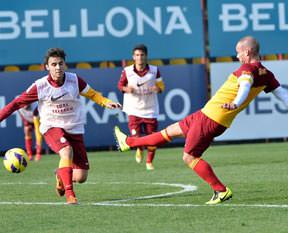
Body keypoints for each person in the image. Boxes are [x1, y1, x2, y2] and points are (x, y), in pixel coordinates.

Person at [114, 36, 288, 204]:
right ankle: (128, 142)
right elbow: (283, 95)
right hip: (206, 114)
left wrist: (235, 103)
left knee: (189, 157)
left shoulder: (247, 70)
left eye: (239, 52)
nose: (237, 56)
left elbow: (245, 85)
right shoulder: (266, 73)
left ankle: (221, 190)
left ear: (248, 51)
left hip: (211, 118)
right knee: (169, 131)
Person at [0, 48, 121, 204]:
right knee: (66, 151)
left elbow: (92, 94)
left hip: (74, 127)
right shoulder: (40, 86)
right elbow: (16, 104)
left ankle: (60, 175)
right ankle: (70, 195)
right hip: (51, 126)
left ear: (65, 65)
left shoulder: (75, 80)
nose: (57, 67)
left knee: (81, 177)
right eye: (53, 64)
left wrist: (105, 102)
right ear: (47, 67)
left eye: (60, 64)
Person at [118, 44, 165, 171]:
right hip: (133, 109)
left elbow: (162, 86)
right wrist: (126, 89)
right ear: (133, 57)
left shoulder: (154, 70)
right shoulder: (127, 71)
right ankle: (139, 148)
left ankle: (149, 161)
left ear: (146, 56)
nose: (139, 58)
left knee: (153, 139)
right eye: (137, 55)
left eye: (142, 55)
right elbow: (120, 85)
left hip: (150, 109)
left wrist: (158, 88)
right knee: (136, 136)